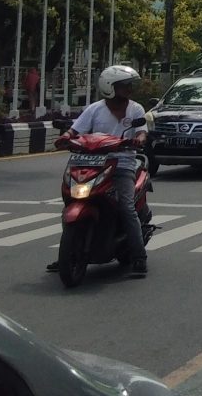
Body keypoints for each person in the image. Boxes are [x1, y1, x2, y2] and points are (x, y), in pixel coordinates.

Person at [52, 65, 151, 277]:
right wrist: (65, 137)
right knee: (71, 199)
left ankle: (139, 256)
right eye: (124, 86)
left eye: (129, 85)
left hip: (122, 164)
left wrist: (138, 140)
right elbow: (75, 129)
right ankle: (67, 251)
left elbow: (142, 132)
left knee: (126, 206)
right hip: (91, 163)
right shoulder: (95, 109)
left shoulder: (136, 109)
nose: (128, 89)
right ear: (110, 87)